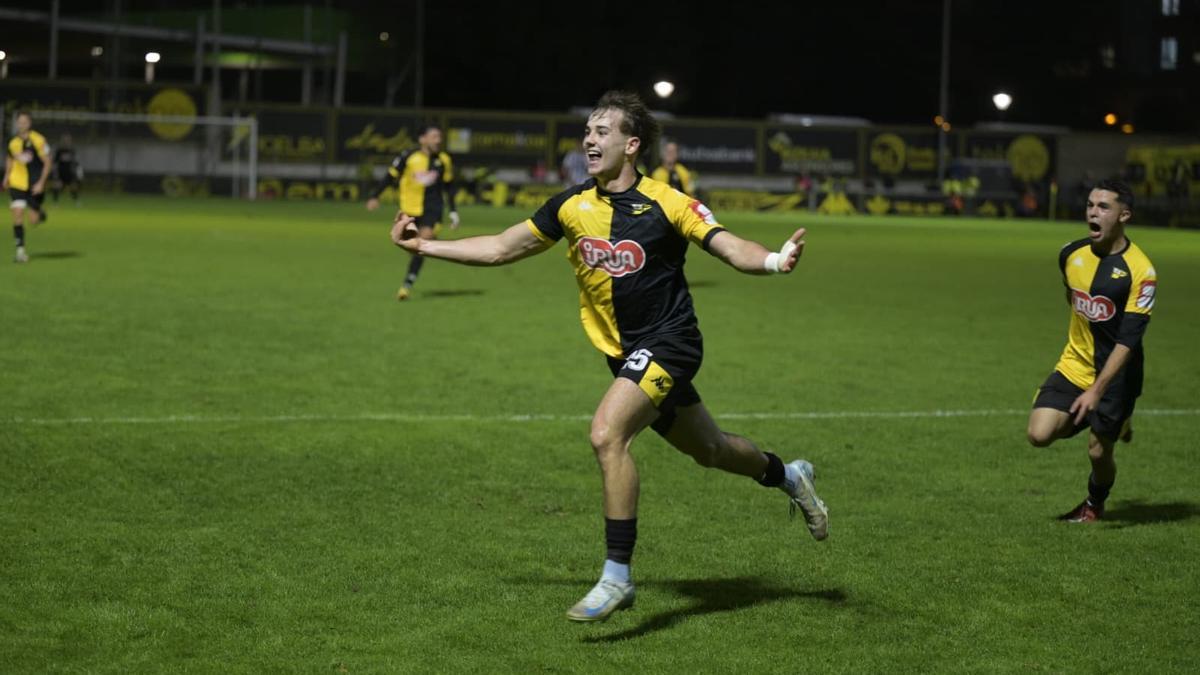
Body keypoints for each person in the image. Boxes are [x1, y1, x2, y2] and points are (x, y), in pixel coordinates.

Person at [390, 91, 828, 622]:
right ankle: (787, 475)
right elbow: (503, 247)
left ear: (632, 144)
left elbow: (728, 245)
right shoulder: (572, 206)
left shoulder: (668, 202)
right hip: (624, 354)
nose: (590, 140)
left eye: (602, 132)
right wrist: (424, 248)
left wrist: (776, 260)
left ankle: (617, 577)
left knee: (606, 434)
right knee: (710, 450)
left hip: (672, 342)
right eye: (588, 132)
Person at [1026, 179, 1156, 523]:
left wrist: (1097, 391)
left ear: (1124, 214)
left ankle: (1093, 505)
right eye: (1089, 205)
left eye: (1103, 207)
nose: (1092, 213)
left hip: (1117, 375)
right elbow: (1072, 297)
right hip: (1075, 364)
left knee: (1099, 452)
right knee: (1038, 434)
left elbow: (1128, 341)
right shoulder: (1070, 254)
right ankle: (1102, 421)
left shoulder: (1141, 272)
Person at [366, 125, 459, 301]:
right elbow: (390, 176)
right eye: (434, 136)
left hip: (433, 210)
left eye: (439, 137)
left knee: (422, 243)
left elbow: (449, 187)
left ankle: (406, 285)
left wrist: (453, 211)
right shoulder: (408, 156)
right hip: (409, 211)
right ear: (422, 139)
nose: (438, 140)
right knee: (413, 247)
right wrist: (375, 196)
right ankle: (430, 248)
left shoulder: (444, 160)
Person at [3, 111, 52, 263]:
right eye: (20, 122)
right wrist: (6, 177)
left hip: (34, 184)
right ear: (17, 123)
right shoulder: (13, 142)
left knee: (33, 220)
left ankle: (40, 213)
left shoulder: (38, 139)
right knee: (17, 213)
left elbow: (48, 162)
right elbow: (10, 159)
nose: (22, 124)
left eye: (25, 122)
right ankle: (20, 251)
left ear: (29, 123)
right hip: (17, 183)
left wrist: (41, 183)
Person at [51, 133, 83, 204]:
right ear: (62, 140)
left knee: (73, 186)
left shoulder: (72, 150)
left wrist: (77, 171)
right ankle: (55, 201)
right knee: (57, 186)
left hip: (70, 172)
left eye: (68, 139)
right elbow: (54, 161)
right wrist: (54, 171)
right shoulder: (59, 150)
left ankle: (76, 200)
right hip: (61, 171)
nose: (66, 141)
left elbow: (75, 161)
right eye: (65, 139)